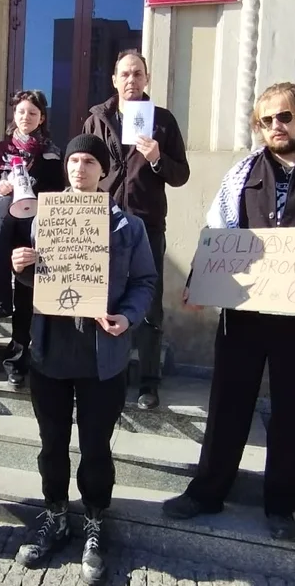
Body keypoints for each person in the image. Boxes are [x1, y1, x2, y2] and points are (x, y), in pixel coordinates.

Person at [162, 82, 295, 543]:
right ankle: (207, 492)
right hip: (244, 313)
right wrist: (199, 281)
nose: (275, 127)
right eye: (266, 121)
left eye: (283, 117)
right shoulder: (241, 173)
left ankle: (281, 506)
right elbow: (217, 234)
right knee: (227, 405)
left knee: (292, 412)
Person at [9, 133, 158, 584]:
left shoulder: (128, 227)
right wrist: (23, 266)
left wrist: (127, 317)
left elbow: (147, 282)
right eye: (73, 160)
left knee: (95, 446)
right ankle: (55, 513)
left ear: (103, 170)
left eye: (89, 161)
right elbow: (43, 283)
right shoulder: (43, 219)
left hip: (101, 358)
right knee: (51, 443)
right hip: (51, 351)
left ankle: (94, 520)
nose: (79, 168)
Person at [82, 50, 189, 410]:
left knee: (148, 302)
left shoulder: (163, 120)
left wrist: (158, 157)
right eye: (125, 74)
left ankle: (148, 382)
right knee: (100, 295)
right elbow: (83, 164)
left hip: (146, 222)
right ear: (114, 79)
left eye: (138, 74)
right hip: (103, 221)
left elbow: (181, 175)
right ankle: (105, 370)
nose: (131, 80)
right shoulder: (97, 119)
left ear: (147, 79)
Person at [0, 89, 66, 386]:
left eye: (32, 113)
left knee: (26, 292)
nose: (26, 117)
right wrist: (0, 186)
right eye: (21, 112)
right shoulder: (2, 148)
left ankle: (18, 360)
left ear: (41, 118)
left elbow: (58, 193)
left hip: (33, 230)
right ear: (14, 115)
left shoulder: (51, 152)